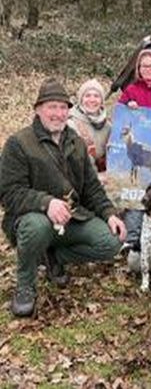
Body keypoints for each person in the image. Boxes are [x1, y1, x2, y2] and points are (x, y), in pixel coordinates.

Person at [0, 79, 127, 317]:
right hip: (33, 220)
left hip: (73, 218)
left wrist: (109, 213)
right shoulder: (19, 143)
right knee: (36, 226)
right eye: (52, 107)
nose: (58, 114)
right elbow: (9, 193)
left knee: (112, 241)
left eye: (62, 107)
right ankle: (25, 286)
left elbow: (91, 188)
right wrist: (45, 203)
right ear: (38, 109)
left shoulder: (76, 142)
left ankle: (52, 256)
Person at [67, 78, 110, 183]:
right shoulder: (70, 124)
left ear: (102, 100)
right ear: (81, 99)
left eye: (96, 96)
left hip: (102, 182)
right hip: (77, 181)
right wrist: (96, 176)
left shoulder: (108, 127)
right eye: (87, 96)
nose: (92, 100)